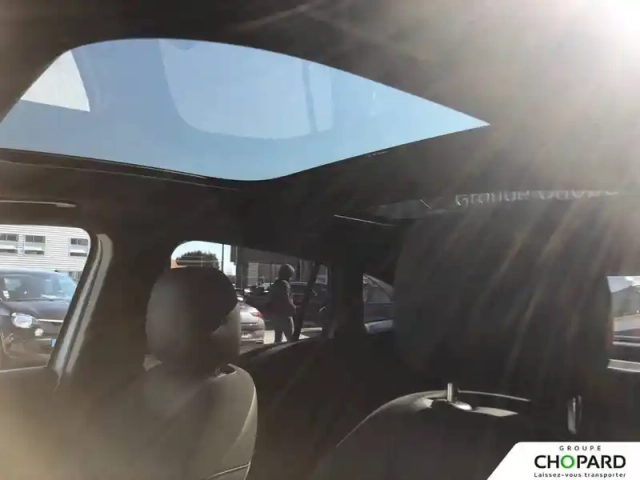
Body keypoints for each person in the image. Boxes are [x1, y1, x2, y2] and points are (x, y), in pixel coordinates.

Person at [266, 264, 296, 343]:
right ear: (288, 274)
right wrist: (294, 308)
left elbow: (269, 298)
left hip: (276, 315)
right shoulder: (285, 284)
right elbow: (286, 299)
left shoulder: (276, 284)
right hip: (285, 315)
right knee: (291, 340)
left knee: (278, 339)